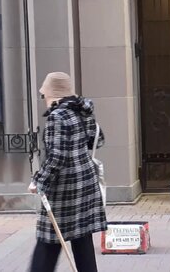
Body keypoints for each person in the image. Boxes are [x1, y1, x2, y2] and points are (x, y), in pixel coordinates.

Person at [28, 72, 106, 272]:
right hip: (86, 183)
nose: (44, 99)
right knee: (82, 239)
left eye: (44, 94)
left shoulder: (57, 117)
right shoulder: (82, 111)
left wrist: (39, 181)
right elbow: (98, 140)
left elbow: (56, 157)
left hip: (65, 188)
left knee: (49, 239)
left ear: (52, 93)